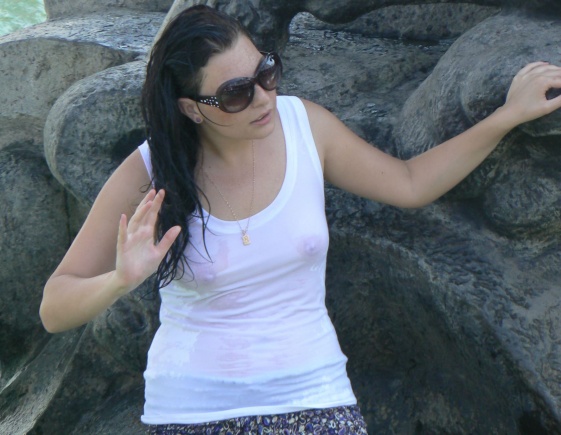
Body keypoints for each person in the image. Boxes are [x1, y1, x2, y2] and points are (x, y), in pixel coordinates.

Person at [39, 5, 561, 434]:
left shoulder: (304, 125)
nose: (263, 97)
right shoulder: (151, 170)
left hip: (317, 399)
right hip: (192, 412)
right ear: (192, 108)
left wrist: (507, 116)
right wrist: (119, 280)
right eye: (237, 93)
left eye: (266, 72)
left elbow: (410, 183)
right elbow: (55, 308)